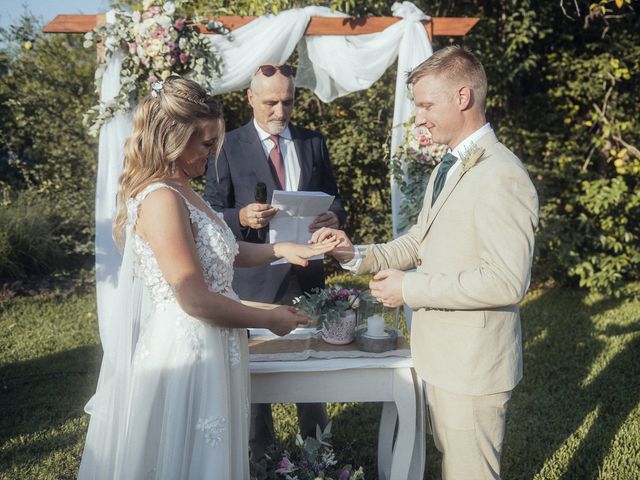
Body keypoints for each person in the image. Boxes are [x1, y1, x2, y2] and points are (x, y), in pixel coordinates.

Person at [78, 76, 337, 479]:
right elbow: (193, 298)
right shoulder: (161, 198)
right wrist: (269, 318)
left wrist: (280, 249)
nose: (214, 153)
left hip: (215, 341)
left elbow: (222, 253)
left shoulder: (183, 188)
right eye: (205, 144)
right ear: (174, 138)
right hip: (189, 349)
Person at [312, 47, 539, 480]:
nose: (419, 118)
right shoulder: (448, 166)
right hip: (443, 358)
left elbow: (506, 282)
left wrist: (409, 289)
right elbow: (420, 240)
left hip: (473, 367)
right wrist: (353, 253)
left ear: (463, 97)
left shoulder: (500, 175)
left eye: (426, 105)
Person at [204, 64, 346, 459]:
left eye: (288, 101)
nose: (281, 111)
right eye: (271, 102)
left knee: (312, 369)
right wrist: (241, 218)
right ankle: (259, 458)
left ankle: (318, 458)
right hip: (253, 279)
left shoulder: (313, 141)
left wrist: (335, 215)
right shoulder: (225, 145)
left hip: (308, 275)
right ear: (250, 99)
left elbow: (334, 197)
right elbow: (211, 211)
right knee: (253, 378)